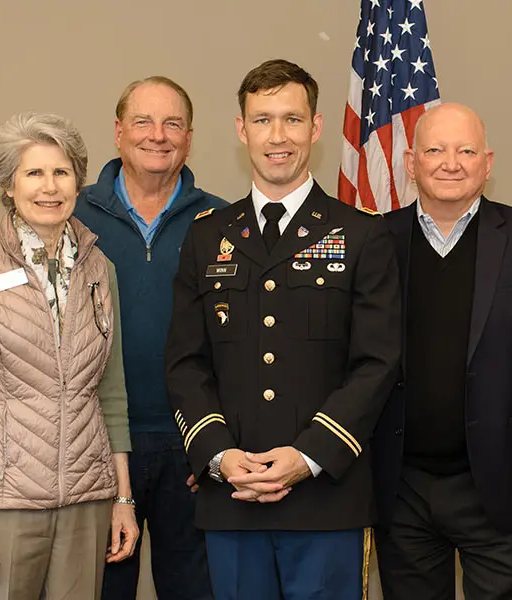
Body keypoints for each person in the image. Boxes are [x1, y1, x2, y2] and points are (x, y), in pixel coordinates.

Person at [165, 59, 401, 600]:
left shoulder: (360, 234)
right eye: (263, 120)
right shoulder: (207, 238)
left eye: (292, 120)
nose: (278, 137)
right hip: (232, 496)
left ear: (316, 129)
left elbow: (378, 362)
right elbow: (185, 362)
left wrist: (308, 455)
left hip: (324, 496)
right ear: (241, 129)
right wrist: (219, 456)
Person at [369, 103, 512, 599]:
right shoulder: (376, 240)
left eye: (466, 150)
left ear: (488, 162)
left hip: (501, 483)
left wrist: (505, 415)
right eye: (435, 150)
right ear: (410, 162)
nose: (450, 162)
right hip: (403, 488)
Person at [0, 112, 138, 599]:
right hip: (2, 503)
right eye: (34, 173)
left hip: (87, 502)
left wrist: (123, 497)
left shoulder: (99, 268)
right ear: (8, 185)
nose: (50, 187)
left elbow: (111, 393)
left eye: (61, 172)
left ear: (78, 182)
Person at [74, 76, 225, 600]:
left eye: (172, 123)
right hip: (94, 449)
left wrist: (215, 445)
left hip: (191, 447)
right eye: (143, 121)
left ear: (189, 137)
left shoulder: (223, 221)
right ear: (118, 132)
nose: (157, 135)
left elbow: (244, 344)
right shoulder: (72, 216)